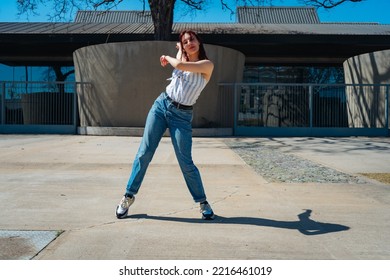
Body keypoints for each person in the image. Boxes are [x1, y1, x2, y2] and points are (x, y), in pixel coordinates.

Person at [115, 30, 215, 220]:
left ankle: (202, 202)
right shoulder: (182, 56)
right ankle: (128, 196)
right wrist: (178, 49)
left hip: (182, 116)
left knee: (186, 162)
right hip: (161, 106)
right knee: (144, 153)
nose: (189, 43)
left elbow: (179, 64)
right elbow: (179, 59)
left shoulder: (206, 66)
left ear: (199, 42)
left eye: (191, 39)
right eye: (185, 42)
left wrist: (167, 56)